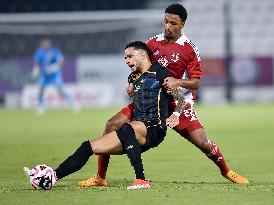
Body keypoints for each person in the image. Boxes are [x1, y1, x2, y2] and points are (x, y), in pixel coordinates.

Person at [78, 4, 249, 187]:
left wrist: (178, 82)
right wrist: (131, 82)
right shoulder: (152, 43)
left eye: (173, 23)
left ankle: (226, 171)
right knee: (112, 124)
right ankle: (100, 177)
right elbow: (139, 66)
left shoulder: (189, 49)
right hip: (151, 101)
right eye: (166, 22)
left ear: (182, 24)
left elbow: (196, 83)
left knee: (203, 142)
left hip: (178, 103)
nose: (168, 26)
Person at [25, 41, 185, 190]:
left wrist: (175, 115)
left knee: (126, 128)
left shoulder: (160, 73)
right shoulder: (133, 77)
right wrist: (131, 90)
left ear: (142, 55)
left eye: (129, 56)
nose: (127, 61)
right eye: (125, 58)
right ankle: (53, 176)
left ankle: (141, 180)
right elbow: (139, 92)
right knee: (88, 146)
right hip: (134, 131)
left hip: (154, 128)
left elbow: (181, 98)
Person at [32, 38, 78, 114]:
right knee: (41, 89)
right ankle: (41, 106)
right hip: (44, 75)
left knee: (60, 91)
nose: (46, 45)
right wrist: (36, 69)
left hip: (54, 75)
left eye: (47, 43)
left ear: (50, 44)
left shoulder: (54, 51)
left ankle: (73, 103)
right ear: (43, 44)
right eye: (44, 44)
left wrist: (53, 67)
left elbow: (61, 62)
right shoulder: (39, 52)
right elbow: (37, 62)